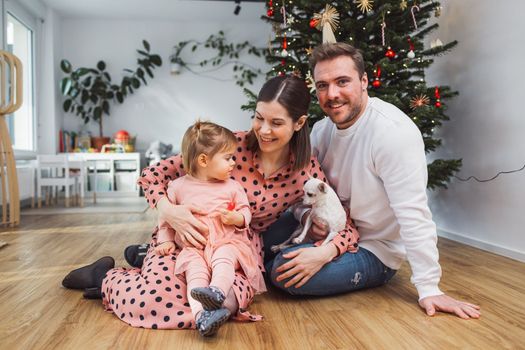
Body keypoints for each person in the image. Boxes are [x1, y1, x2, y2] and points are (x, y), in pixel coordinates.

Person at [61, 75, 360, 330]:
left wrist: (326, 251)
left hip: (236, 251)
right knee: (153, 302)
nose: (264, 130)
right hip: (184, 240)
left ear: (299, 123)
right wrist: (170, 211)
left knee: (208, 305)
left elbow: (344, 222)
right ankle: (107, 277)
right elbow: (152, 176)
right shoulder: (229, 148)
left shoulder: (305, 171)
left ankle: (135, 269)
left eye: (276, 122)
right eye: (259, 117)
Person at [268, 43, 480, 319]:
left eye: (342, 82)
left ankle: (273, 264)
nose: (332, 94)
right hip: (329, 226)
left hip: (373, 248)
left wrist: (429, 287)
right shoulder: (321, 131)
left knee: (282, 271)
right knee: (258, 235)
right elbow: (298, 192)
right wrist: (310, 216)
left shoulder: (392, 134)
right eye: (322, 85)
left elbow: (413, 214)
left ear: (364, 81)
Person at [155, 120, 266, 336]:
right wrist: (165, 239)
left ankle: (217, 291)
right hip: (194, 247)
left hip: (226, 241)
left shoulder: (233, 186)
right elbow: (166, 218)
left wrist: (237, 218)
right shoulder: (178, 187)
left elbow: (246, 212)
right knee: (194, 277)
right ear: (204, 160)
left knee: (224, 259)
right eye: (228, 158)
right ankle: (202, 317)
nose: (233, 162)